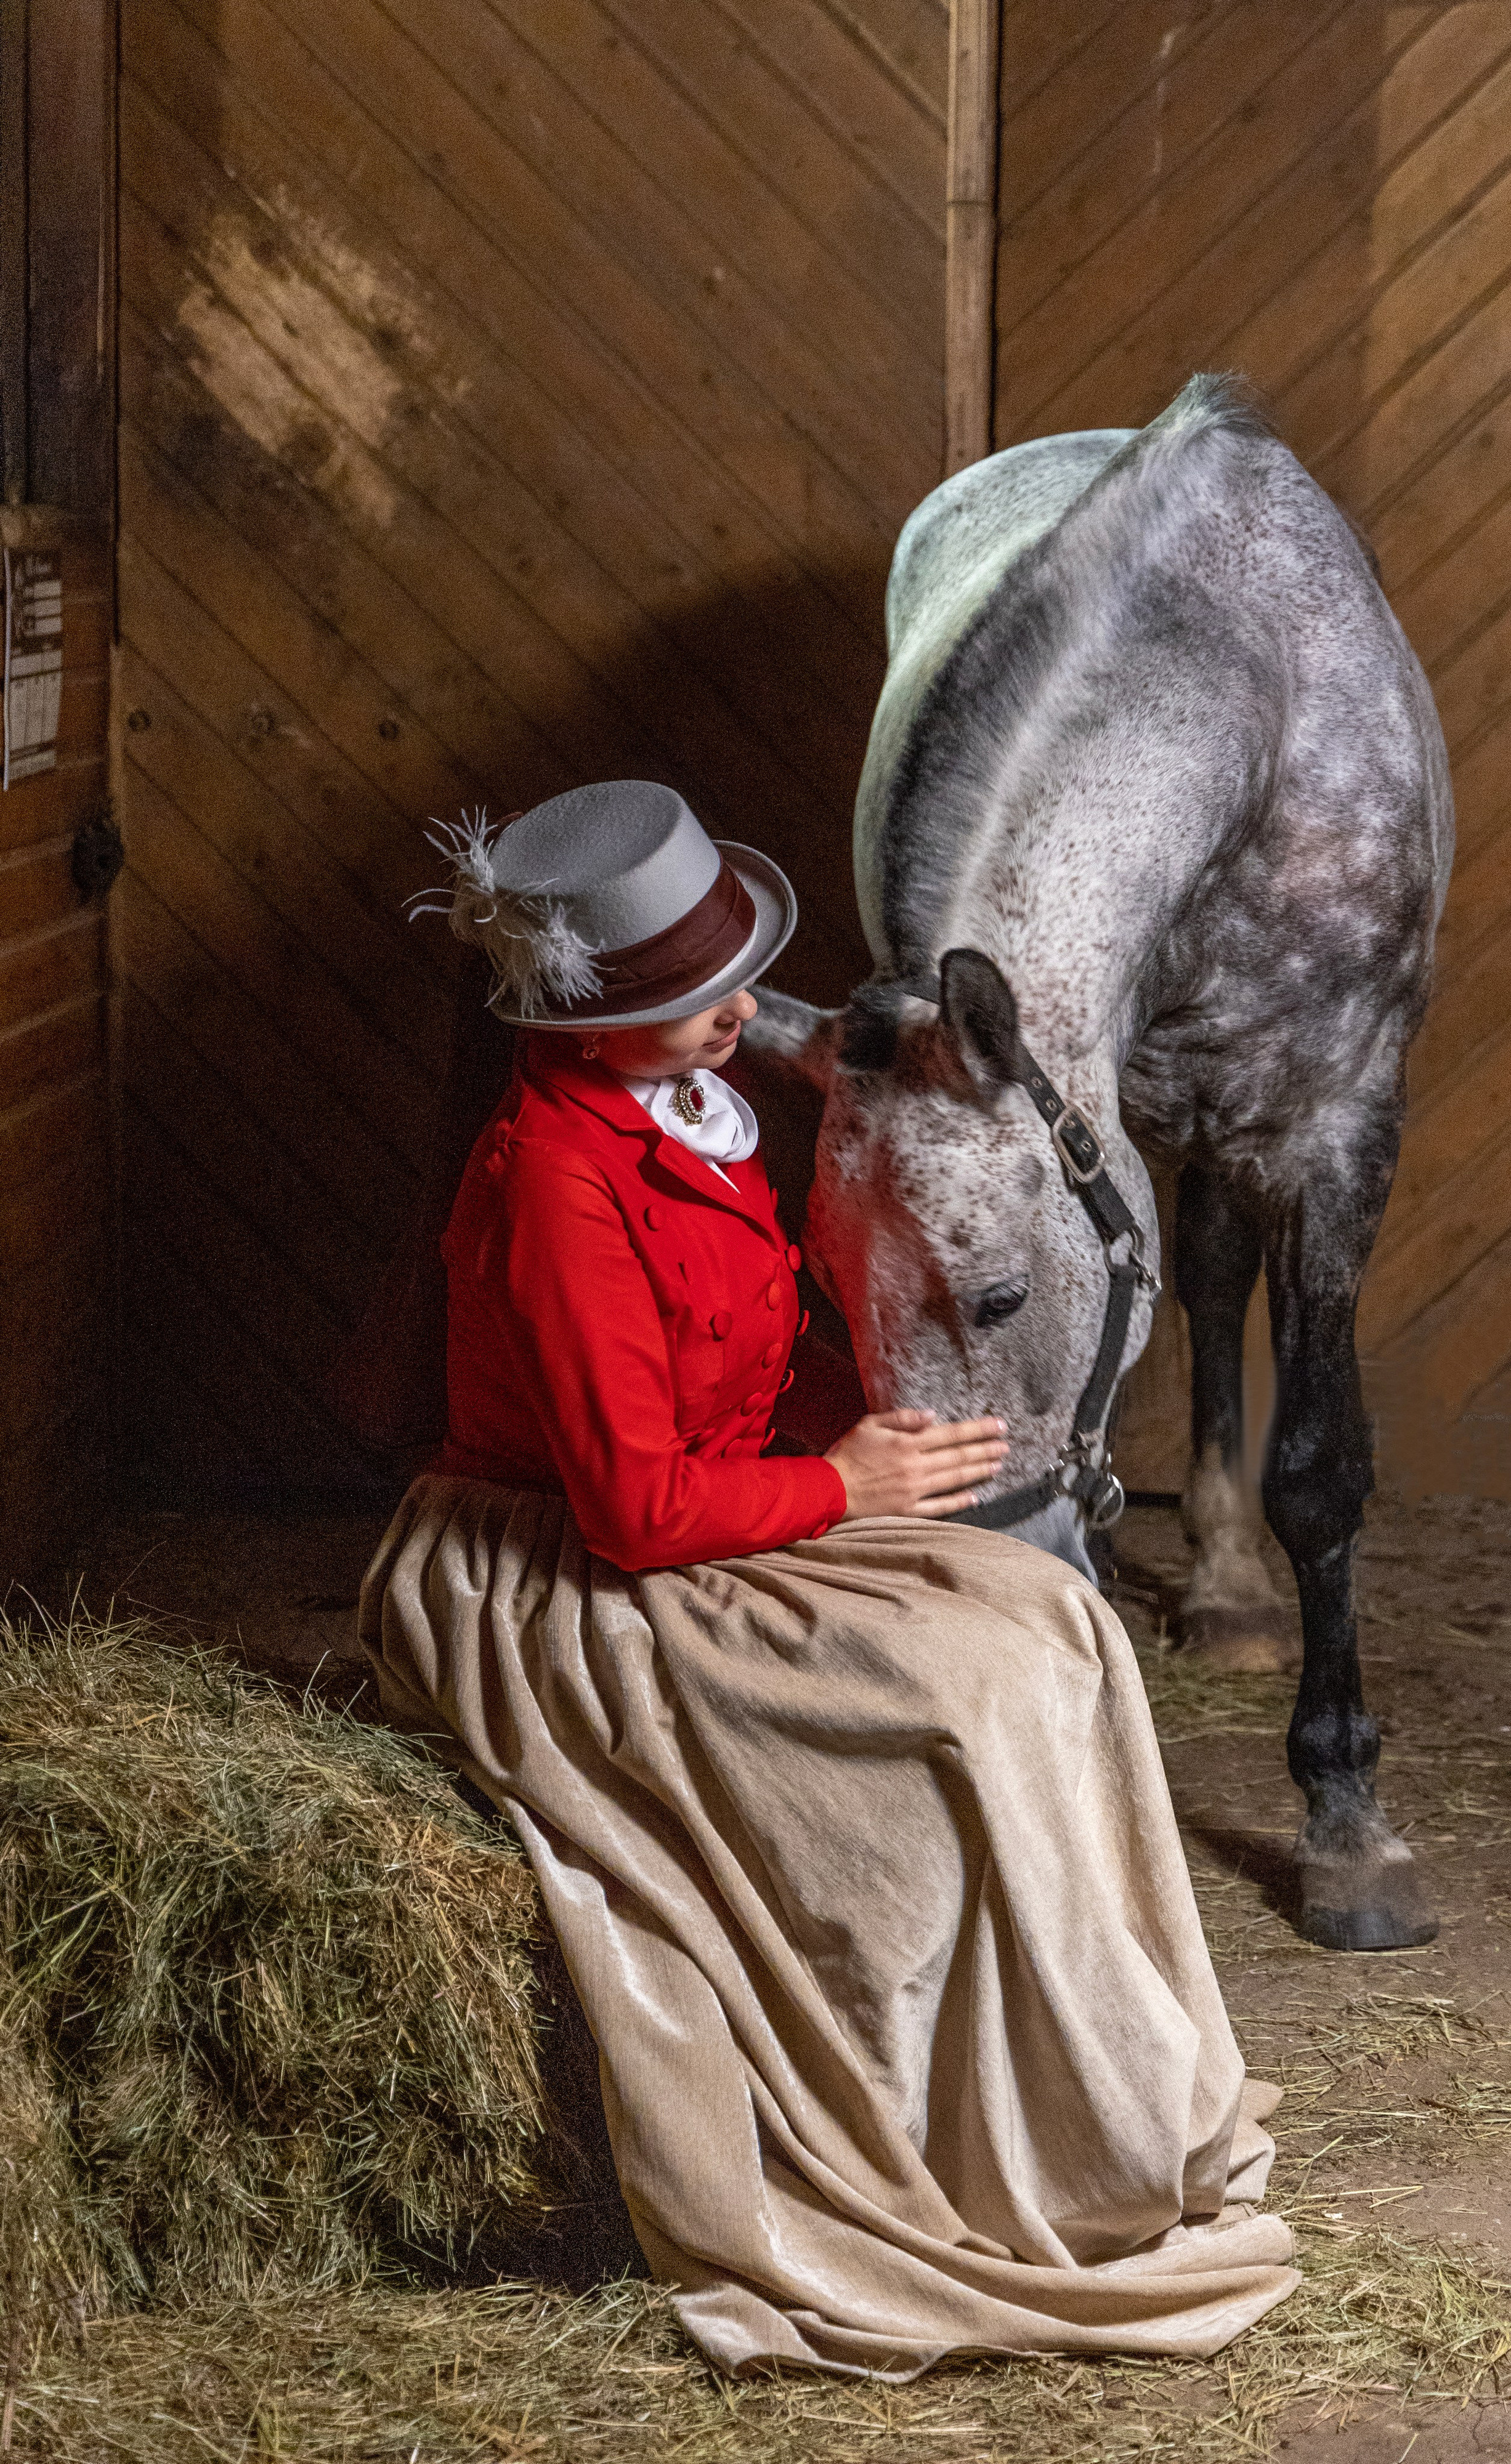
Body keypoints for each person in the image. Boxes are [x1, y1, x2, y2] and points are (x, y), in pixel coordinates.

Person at [359, 780, 1297, 2379]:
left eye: (728, 971)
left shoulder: (695, 1112)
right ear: (594, 1018)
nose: (736, 1009)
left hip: (733, 1507)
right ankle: (956, 2144)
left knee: (1055, 1613)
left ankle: (1109, 2092)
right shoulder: (554, 1182)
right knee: (961, 1689)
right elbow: (635, 1506)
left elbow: (754, 1356)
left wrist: (848, 1456)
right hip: (558, 1572)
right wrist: (847, 1487)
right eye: (684, 997)